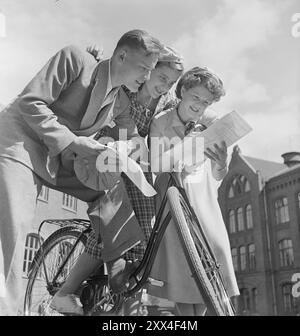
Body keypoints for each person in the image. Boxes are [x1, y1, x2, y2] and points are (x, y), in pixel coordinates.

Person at [0, 29, 164, 316]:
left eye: (151, 71)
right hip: (19, 145)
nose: (147, 77)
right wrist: (76, 142)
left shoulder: (121, 102)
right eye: (144, 68)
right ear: (122, 55)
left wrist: (169, 155)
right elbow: (30, 102)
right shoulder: (76, 58)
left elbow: (136, 142)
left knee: (111, 189)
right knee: (13, 232)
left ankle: (114, 266)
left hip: (58, 160)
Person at [51, 46, 184, 315]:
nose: (165, 86)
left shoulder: (165, 103)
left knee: (143, 237)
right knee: (113, 225)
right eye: (161, 77)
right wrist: (93, 58)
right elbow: (103, 78)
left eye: (170, 83)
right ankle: (65, 292)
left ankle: (119, 310)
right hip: (102, 160)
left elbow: (186, 114)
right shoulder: (125, 90)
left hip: (135, 168)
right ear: (148, 69)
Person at [147, 67, 240, 315]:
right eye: (196, 98)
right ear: (183, 90)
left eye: (206, 102)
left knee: (213, 267)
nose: (200, 106)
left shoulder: (213, 123)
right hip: (174, 201)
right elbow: (156, 164)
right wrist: (183, 151)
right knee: (183, 275)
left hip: (204, 199)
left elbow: (217, 176)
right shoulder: (161, 122)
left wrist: (222, 163)